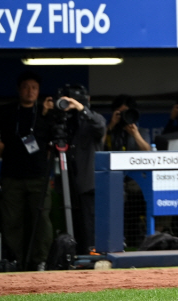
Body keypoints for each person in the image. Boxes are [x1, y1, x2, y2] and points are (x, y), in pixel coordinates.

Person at [0, 72, 52, 271]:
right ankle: (17, 261)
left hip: (39, 176)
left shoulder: (45, 113)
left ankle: (40, 261)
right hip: (12, 175)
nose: (30, 91)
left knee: (41, 220)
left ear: (38, 91)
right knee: (12, 221)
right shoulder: (7, 111)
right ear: (19, 90)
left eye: (34, 88)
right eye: (26, 87)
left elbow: (55, 139)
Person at [44, 84, 106, 254]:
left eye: (77, 101)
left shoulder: (93, 119)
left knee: (88, 225)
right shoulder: (64, 122)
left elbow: (100, 127)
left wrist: (81, 108)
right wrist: (48, 113)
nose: (72, 105)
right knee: (72, 224)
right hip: (68, 184)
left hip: (87, 185)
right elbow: (46, 137)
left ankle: (90, 256)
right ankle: (72, 256)